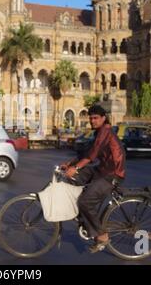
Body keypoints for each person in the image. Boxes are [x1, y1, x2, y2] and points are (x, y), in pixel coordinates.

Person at [61, 105, 125, 254]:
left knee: (85, 201)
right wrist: (70, 164)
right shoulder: (99, 132)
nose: (92, 121)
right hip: (102, 170)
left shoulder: (106, 132)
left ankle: (102, 236)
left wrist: (75, 168)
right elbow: (87, 152)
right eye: (90, 118)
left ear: (103, 118)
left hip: (112, 174)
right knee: (76, 178)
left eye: (95, 118)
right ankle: (85, 217)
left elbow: (92, 155)